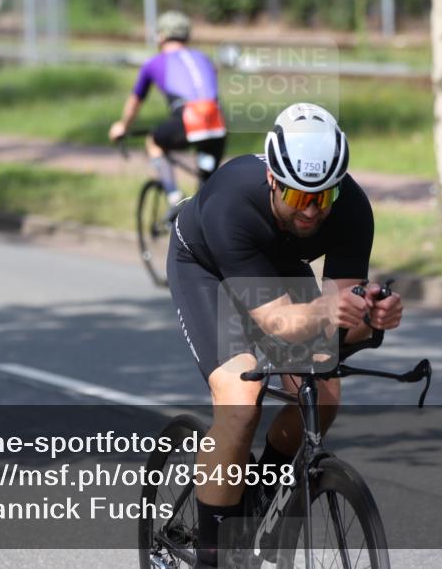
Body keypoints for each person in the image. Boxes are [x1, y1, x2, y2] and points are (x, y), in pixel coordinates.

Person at [166, 102, 404, 567]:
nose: (312, 211)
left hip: (274, 268)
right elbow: (277, 324)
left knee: (325, 393)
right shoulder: (231, 202)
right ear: (274, 180)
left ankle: (258, 501)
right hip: (207, 266)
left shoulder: (352, 208)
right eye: (298, 198)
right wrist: (330, 312)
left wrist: (371, 317)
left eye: (323, 197)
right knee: (240, 400)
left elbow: (337, 320)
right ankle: (214, 555)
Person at [108, 10, 227, 215]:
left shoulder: (154, 63)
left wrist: (122, 127)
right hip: (217, 124)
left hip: (187, 122)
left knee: (153, 141)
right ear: (186, 36)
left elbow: (135, 102)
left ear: (160, 36)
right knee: (205, 197)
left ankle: (175, 197)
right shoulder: (203, 58)